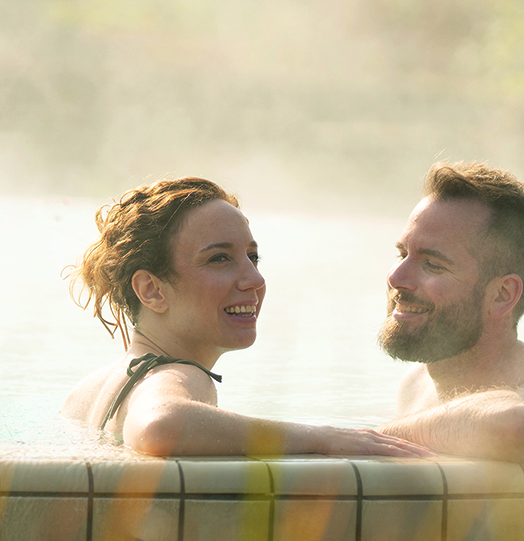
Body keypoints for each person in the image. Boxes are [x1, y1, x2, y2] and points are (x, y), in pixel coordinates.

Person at [64, 177, 430, 458]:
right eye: (219, 259)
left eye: (252, 258)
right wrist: (322, 437)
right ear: (151, 290)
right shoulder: (181, 377)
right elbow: (160, 426)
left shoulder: (86, 393)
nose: (254, 279)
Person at [376, 162, 524, 463]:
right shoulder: (415, 385)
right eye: (402, 254)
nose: (396, 277)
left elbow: (518, 429)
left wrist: (372, 437)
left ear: (502, 295)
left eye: (432, 265)